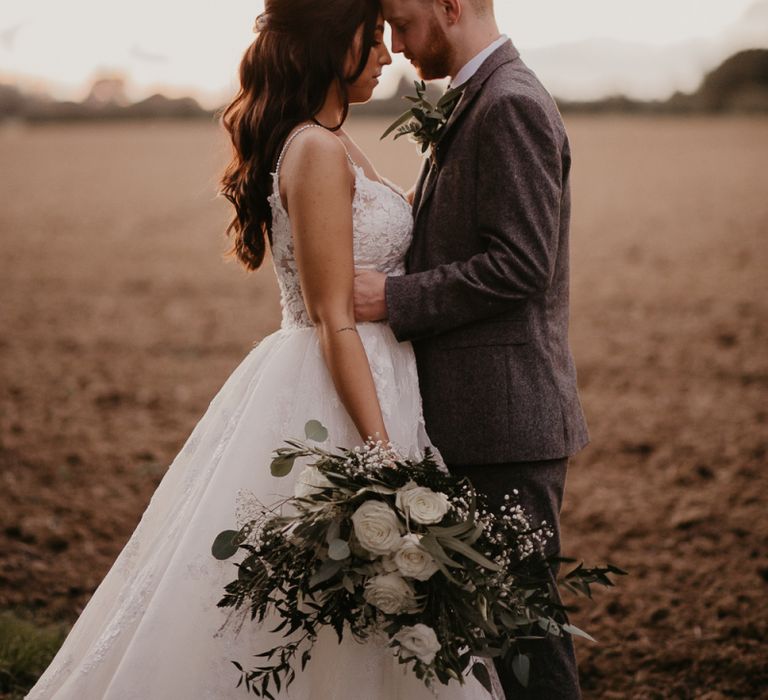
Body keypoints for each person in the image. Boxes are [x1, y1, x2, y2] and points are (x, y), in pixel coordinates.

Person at [24, 1, 501, 698]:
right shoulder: (312, 148)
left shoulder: (336, 142)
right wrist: (384, 460)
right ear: (332, 44)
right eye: (373, 40)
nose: (388, 55)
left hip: (377, 375)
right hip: (336, 386)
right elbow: (333, 316)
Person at [353, 1, 590, 698]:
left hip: (504, 425)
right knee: (491, 643)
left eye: (401, 22)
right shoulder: (477, 98)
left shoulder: (509, 103)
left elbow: (521, 264)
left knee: (526, 645)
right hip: (479, 420)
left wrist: (392, 300)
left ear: (450, 5)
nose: (394, 44)